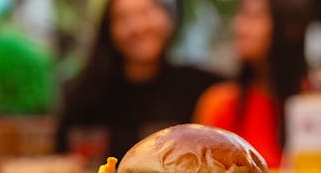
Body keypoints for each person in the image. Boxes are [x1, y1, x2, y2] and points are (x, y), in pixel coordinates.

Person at [56, 0, 222, 161]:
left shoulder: (201, 86)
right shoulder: (88, 94)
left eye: (146, 12)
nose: (138, 26)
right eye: (124, 18)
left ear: (168, 18)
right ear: (109, 30)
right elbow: (65, 155)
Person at [194, 0, 312, 169]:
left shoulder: (317, 104)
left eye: (255, 17)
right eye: (241, 15)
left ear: (290, 28)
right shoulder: (221, 103)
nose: (239, 28)